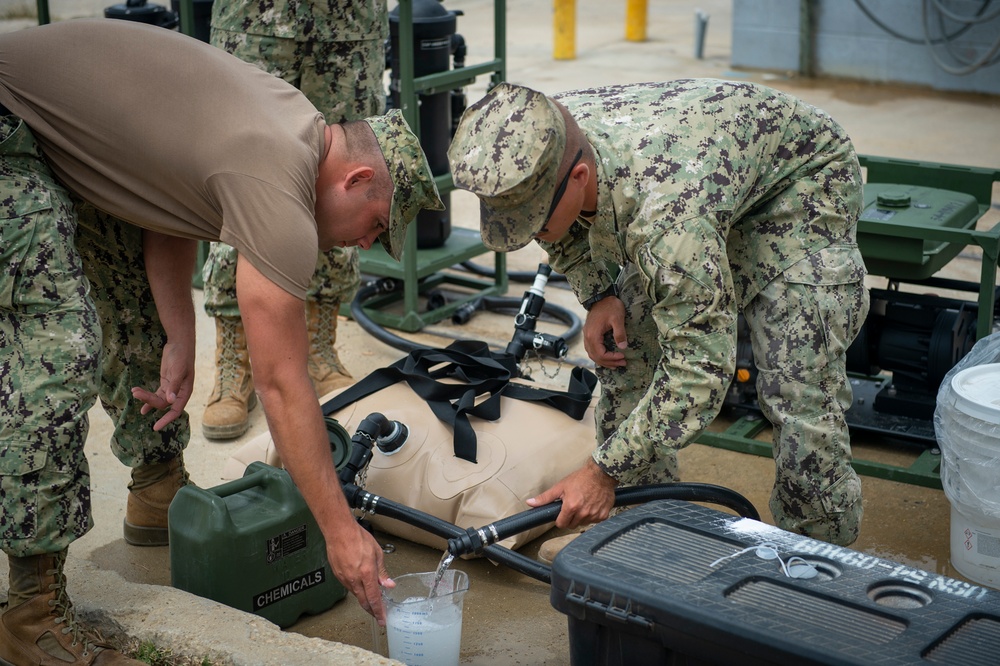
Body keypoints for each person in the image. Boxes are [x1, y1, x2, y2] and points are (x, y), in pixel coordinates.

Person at [0, 18, 442, 664]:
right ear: (354, 180)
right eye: (376, 224)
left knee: (128, 300)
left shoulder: (293, 125)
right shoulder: (278, 180)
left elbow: (168, 194)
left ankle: (160, 493)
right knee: (57, 345)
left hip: (51, 130)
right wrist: (340, 532)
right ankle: (32, 615)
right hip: (9, 119)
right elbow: (282, 382)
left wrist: (181, 334)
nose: (368, 245)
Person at [447, 80, 870, 555]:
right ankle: (646, 530)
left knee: (797, 390)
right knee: (628, 347)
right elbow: (555, 227)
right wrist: (599, 292)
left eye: (535, 221)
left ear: (581, 176)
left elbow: (700, 373)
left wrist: (600, 471)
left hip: (800, 188)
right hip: (708, 179)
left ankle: (818, 559)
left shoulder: (667, 221)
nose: (531, 233)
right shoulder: (538, 137)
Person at [201, 0, 389, 440]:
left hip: (349, 24)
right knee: (242, 174)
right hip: (254, 20)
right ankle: (234, 359)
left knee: (346, 180)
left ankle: (319, 346)